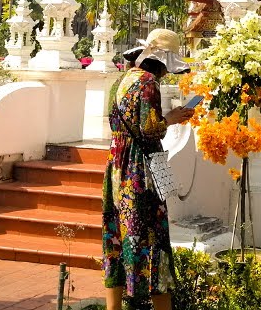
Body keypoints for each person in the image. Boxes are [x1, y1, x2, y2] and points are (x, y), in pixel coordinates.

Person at [103, 30, 194, 310]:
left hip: (117, 166)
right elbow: (149, 129)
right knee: (152, 240)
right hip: (140, 170)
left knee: (117, 237)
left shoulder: (120, 80)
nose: (167, 73)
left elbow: (116, 123)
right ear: (162, 62)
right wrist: (173, 118)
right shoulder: (147, 82)